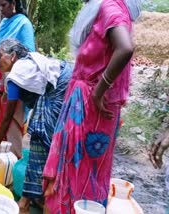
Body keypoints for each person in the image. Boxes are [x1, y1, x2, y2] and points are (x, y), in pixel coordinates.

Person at [42, 0, 141, 213]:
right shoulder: (110, 8)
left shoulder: (109, 8)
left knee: (76, 173)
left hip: (89, 110)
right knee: (89, 176)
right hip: (93, 109)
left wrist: (98, 91)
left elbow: (125, 48)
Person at [0, 39, 72, 212]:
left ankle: (35, 197)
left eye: (0, 56)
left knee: (40, 135)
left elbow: (7, 117)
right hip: (66, 77)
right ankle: (35, 195)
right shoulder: (23, 67)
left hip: (61, 84)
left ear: (13, 56)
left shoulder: (18, 72)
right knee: (46, 137)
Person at [0, 0, 35, 157]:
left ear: (14, 3)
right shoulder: (5, 22)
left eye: (4, 5)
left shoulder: (24, 24)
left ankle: (12, 163)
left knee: (12, 121)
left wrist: (9, 76)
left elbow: (28, 55)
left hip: (13, 82)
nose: (1, 9)